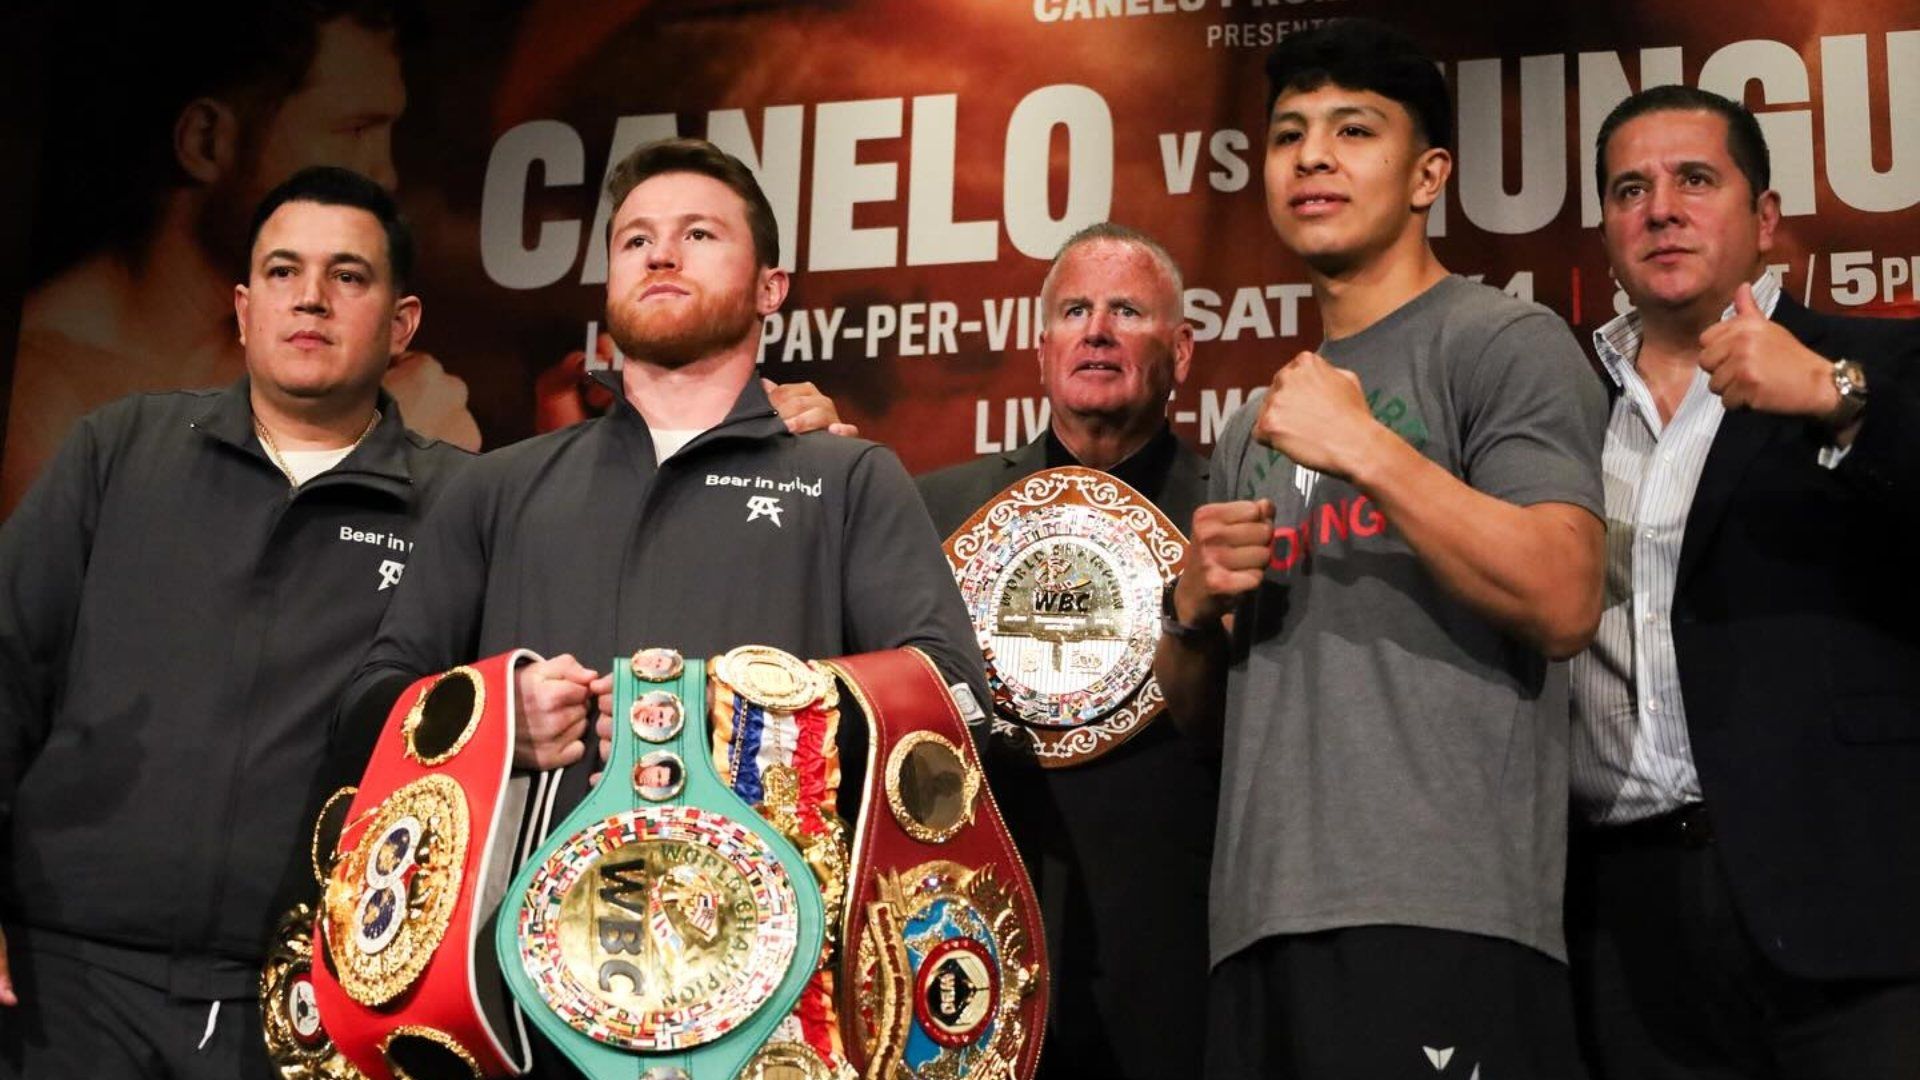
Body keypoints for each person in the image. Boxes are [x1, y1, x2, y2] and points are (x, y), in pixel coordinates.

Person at [337, 137, 989, 1075]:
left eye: (698, 234)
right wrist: (492, 718)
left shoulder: (848, 477)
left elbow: (954, 698)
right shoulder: (496, 487)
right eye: (635, 239)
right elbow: (367, 706)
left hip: (774, 1004)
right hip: (523, 1007)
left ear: (772, 287)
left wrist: (755, 709)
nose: (662, 254)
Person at [1154, 20, 1608, 1078]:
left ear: (1427, 175)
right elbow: (1205, 725)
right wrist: (1188, 614)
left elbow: (1565, 596)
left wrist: (1367, 449)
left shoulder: (1500, 341)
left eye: (1354, 131)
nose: (1311, 156)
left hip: (1444, 910)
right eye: (1288, 135)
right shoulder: (1257, 422)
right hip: (1258, 924)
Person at [0, 166, 469, 1079]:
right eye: (285, 272)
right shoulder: (119, 449)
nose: (312, 299)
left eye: (349, 276)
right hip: (68, 982)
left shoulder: (460, 504)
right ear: (245, 307)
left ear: (402, 325)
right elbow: (5, 663)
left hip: (308, 1003)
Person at [1567, 84, 1920, 1079]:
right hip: (1623, 917)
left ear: (1765, 219)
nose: (1661, 208)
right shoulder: (1556, 404)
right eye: (1629, 189)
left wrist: (1838, 399)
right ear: (1605, 233)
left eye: (1694, 180)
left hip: (1848, 896)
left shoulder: (1878, 361)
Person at [916, 222, 1215, 1080]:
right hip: (978, 937)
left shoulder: (1230, 513)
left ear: (1181, 352)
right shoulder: (937, 514)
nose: (1097, 329)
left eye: (1128, 310)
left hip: (1176, 943)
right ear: (1042, 349)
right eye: (1075, 310)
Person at [2, 0, 480, 517]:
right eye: (355, 131)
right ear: (208, 142)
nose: (385, 175)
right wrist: (361, 462)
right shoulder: (42, 397)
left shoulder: (312, 363)